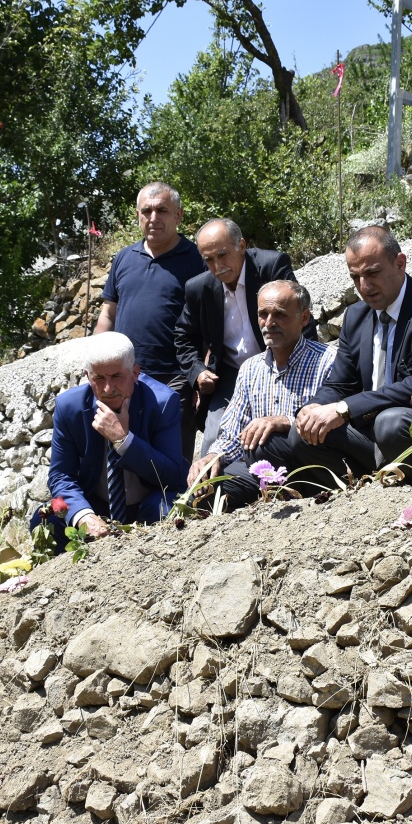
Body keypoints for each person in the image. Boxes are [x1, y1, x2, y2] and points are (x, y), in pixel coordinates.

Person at [288, 225, 412, 483]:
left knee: (389, 424)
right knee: (304, 433)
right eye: (355, 277)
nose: (364, 286)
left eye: (373, 273)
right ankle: (366, 484)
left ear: (400, 264)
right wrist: (314, 408)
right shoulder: (356, 316)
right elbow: (341, 382)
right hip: (370, 432)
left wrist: (345, 408)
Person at [188, 280, 335, 509]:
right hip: (258, 469)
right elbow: (234, 432)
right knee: (203, 494)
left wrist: (286, 422)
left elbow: (336, 422)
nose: (269, 323)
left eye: (280, 315)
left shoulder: (328, 361)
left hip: (308, 465)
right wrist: (212, 457)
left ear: (304, 318)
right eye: (263, 314)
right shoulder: (250, 368)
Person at [174, 218, 316, 455]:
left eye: (222, 255)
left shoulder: (271, 266)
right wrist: (197, 371)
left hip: (283, 366)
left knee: (289, 430)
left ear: (241, 245)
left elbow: (299, 316)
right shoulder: (199, 288)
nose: (217, 266)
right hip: (231, 375)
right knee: (214, 442)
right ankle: (212, 489)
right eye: (208, 259)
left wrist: (308, 368)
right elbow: (183, 336)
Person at [42, 333, 187, 552]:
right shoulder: (69, 407)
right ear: (87, 376)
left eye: (117, 376)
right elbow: (61, 475)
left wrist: (124, 440)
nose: (108, 389)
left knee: (167, 510)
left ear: (135, 373)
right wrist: (83, 516)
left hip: (149, 500)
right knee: (44, 521)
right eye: (99, 378)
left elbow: (174, 474)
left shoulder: (162, 402)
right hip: (97, 504)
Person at [95, 182, 207, 459]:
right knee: (126, 458)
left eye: (162, 210)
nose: (153, 218)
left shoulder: (197, 260)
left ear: (178, 216)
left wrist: (200, 378)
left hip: (175, 380)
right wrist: (95, 365)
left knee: (174, 461)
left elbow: (212, 322)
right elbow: (108, 314)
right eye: (147, 211)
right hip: (124, 380)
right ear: (138, 215)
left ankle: (176, 503)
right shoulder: (124, 258)